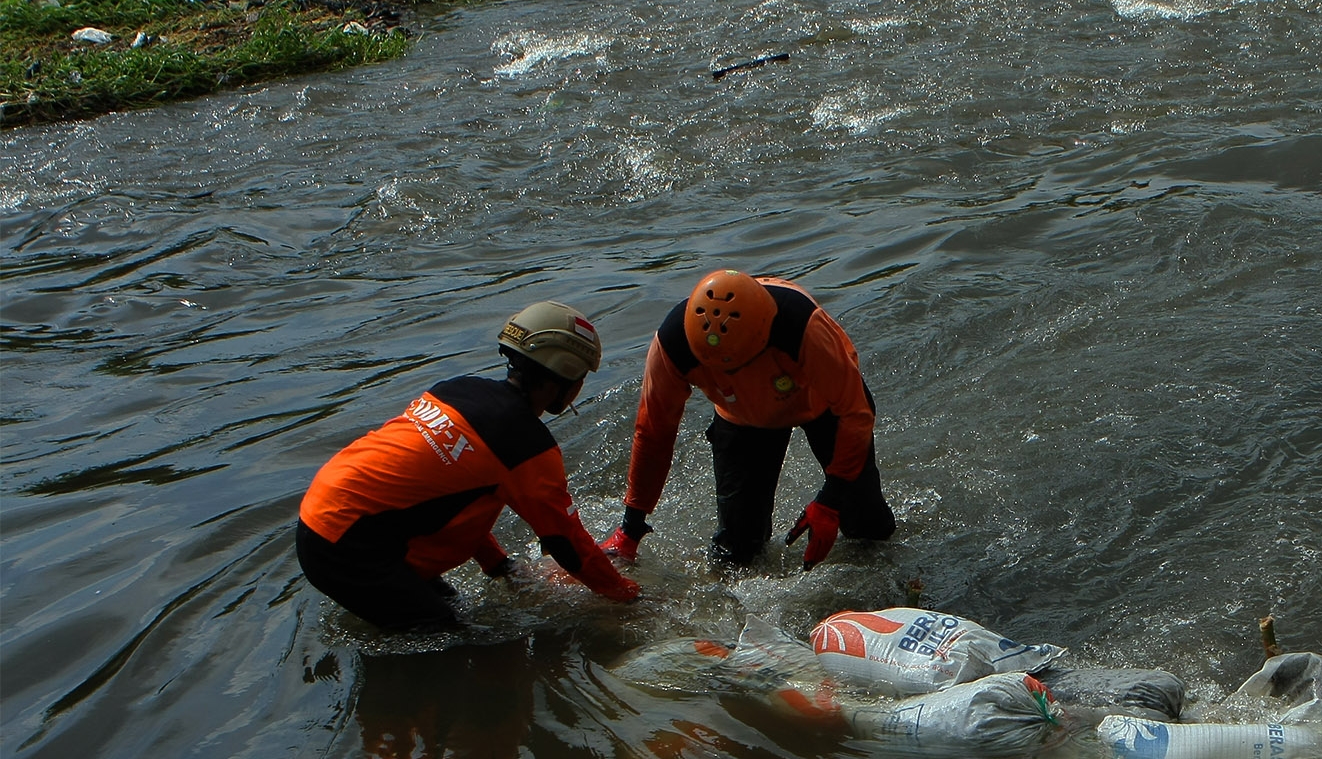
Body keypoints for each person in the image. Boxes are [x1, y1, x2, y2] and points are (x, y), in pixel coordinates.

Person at [297, 302, 640, 632]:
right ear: (565, 374)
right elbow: (567, 543)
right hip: (347, 546)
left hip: (325, 516)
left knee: (450, 607)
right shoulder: (525, 445)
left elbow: (448, 490)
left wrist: (500, 566)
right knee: (456, 642)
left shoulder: (456, 389)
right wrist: (628, 598)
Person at [600, 269, 895, 570]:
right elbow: (653, 432)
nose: (738, 379)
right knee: (736, 554)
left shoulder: (802, 326)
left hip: (820, 403)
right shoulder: (673, 344)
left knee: (868, 531)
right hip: (741, 417)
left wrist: (830, 500)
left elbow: (855, 413)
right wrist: (631, 527)